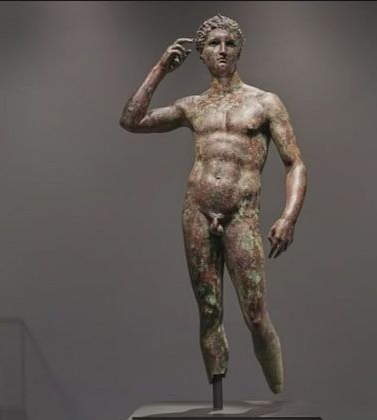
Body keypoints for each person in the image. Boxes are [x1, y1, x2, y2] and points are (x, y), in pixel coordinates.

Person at [120, 14, 307, 394]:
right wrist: (159, 69)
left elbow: (295, 163)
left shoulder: (264, 103)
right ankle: (218, 391)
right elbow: (131, 120)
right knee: (208, 310)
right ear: (201, 53)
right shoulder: (193, 107)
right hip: (198, 212)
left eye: (229, 43)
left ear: (239, 50)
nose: (222, 50)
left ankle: (277, 392)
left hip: (242, 214)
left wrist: (289, 217)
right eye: (213, 44)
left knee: (255, 315)